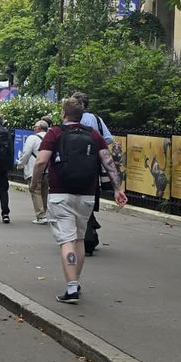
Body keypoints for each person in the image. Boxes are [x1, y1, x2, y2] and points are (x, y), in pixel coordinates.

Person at [31, 96, 126, 304]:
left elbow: (40, 162)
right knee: (80, 239)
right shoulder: (93, 134)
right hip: (87, 194)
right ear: (81, 116)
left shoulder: (55, 133)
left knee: (67, 241)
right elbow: (108, 162)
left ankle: (71, 287)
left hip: (60, 194)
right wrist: (118, 189)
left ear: (63, 114)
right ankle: (75, 281)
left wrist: (34, 183)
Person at [73, 92, 117, 257]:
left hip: (75, 164)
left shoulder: (72, 119)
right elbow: (109, 139)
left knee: (76, 200)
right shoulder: (97, 119)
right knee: (90, 195)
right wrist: (96, 145)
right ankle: (90, 229)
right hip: (93, 164)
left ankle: (88, 236)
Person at [18, 117, 51, 222]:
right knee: (44, 192)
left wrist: (20, 164)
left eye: (35, 127)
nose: (33, 128)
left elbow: (26, 153)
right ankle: (44, 213)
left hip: (34, 168)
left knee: (35, 190)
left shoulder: (32, 138)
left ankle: (41, 215)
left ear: (39, 128)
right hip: (48, 169)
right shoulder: (50, 137)